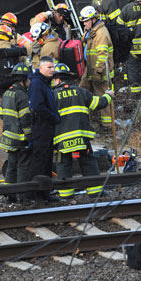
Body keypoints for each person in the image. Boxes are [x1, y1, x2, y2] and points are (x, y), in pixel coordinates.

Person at [52, 63, 114, 200]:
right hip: (82, 137)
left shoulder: (52, 96)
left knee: (64, 163)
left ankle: (65, 194)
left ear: (57, 80)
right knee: (88, 161)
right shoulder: (81, 92)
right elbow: (98, 104)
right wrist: (109, 95)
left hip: (62, 139)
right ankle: (95, 191)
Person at [28, 56, 61, 203]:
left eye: (53, 67)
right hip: (41, 128)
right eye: (49, 67)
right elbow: (37, 106)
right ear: (40, 68)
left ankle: (45, 193)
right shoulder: (37, 83)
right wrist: (53, 117)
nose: (52, 70)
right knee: (40, 162)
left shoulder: (45, 83)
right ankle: (37, 195)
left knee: (47, 161)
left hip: (47, 128)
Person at [0, 62, 33, 202]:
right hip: (20, 139)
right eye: (29, 79)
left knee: (11, 166)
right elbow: (26, 120)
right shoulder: (23, 96)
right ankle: (22, 196)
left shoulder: (7, 93)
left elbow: (1, 113)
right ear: (24, 80)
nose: (30, 82)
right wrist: (30, 137)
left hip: (8, 137)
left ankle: (9, 195)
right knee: (23, 167)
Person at [79, 6, 114, 129]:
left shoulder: (101, 33)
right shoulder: (90, 31)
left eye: (86, 21)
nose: (84, 23)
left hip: (100, 71)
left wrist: (98, 71)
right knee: (81, 92)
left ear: (94, 19)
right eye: (83, 21)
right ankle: (83, 122)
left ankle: (108, 126)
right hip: (89, 69)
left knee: (103, 96)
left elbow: (102, 54)